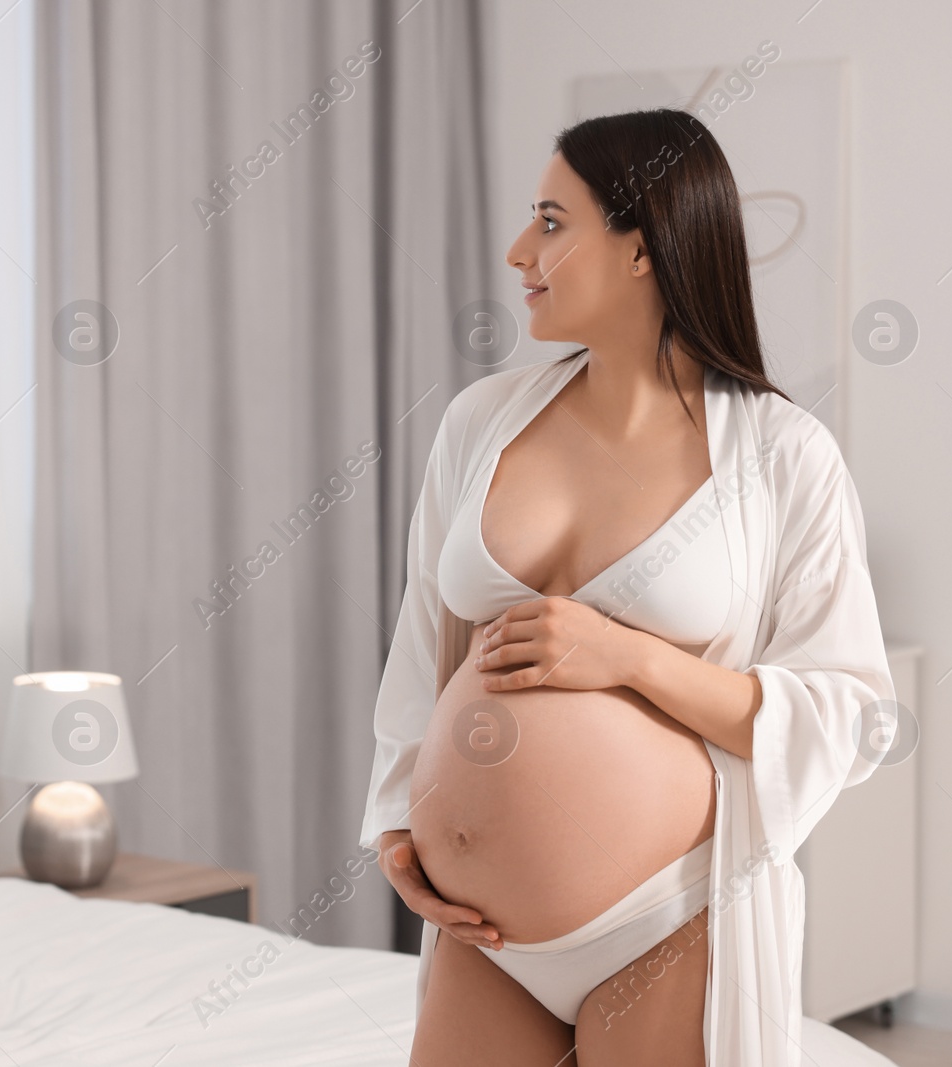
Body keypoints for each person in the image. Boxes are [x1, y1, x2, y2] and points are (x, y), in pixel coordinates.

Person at [358, 107, 897, 1066]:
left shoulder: (783, 457)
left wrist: (628, 656)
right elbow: (419, 647)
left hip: (669, 914)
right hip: (484, 932)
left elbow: (848, 713)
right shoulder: (480, 422)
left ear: (643, 248)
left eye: (552, 222)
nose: (521, 249)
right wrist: (403, 819)